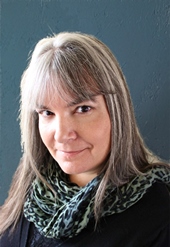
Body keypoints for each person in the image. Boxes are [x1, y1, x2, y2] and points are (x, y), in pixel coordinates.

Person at [0, 32, 169, 247]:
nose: (61, 134)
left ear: (117, 113)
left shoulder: (158, 215)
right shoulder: (30, 191)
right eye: (47, 113)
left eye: (83, 109)